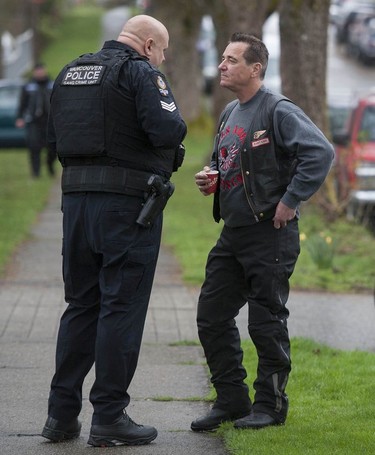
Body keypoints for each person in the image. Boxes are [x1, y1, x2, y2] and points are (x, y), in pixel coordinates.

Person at [41, 15, 187, 447]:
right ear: (147, 45)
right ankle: (109, 416)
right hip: (126, 210)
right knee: (120, 308)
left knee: (81, 306)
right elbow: (167, 129)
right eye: (162, 50)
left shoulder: (70, 72)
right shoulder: (141, 72)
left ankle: (60, 416)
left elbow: (53, 139)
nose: (161, 58)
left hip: (77, 207)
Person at [191, 33, 334, 432]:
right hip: (234, 234)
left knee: (265, 322)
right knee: (211, 316)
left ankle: (270, 407)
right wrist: (212, 178)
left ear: (255, 68)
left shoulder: (278, 110)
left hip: (270, 233)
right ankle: (232, 400)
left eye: (232, 59)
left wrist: (290, 200)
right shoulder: (228, 112)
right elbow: (228, 162)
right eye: (222, 58)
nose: (222, 65)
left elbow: (320, 153)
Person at [16, 63, 55, 177]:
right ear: (34, 72)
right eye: (37, 71)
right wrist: (19, 117)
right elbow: (22, 104)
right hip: (33, 121)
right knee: (34, 147)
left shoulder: (52, 84)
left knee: (53, 148)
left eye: (41, 70)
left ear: (45, 70)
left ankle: (50, 165)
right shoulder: (28, 86)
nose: (39, 72)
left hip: (49, 122)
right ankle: (36, 173)